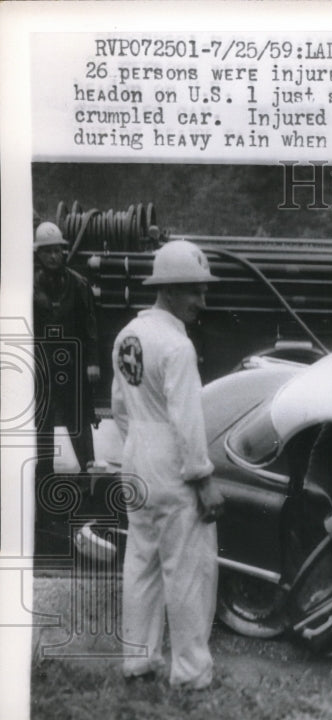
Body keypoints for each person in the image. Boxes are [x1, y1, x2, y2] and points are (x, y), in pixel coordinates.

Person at [111, 240, 225, 689]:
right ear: (171, 290)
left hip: (136, 453)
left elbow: (119, 405)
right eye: (195, 291)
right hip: (174, 462)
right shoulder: (177, 346)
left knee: (140, 562)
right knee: (187, 570)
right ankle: (192, 673)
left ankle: (138, 661)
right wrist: (202, 478)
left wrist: (138, 443)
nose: (201, 301)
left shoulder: (127, 336)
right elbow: (187, 419)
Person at [33, 221, 100, 484]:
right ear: (38, 254)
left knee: (79, 419)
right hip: (42, 365)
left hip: (73, 365)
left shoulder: (78, 284)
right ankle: (44, 475)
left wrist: (93, 362)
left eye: (56, 251)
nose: (52, 256)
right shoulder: (30, 287)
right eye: (47, 251)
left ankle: (90, 474)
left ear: (63, 252)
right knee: (43, 419)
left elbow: (91, 326)